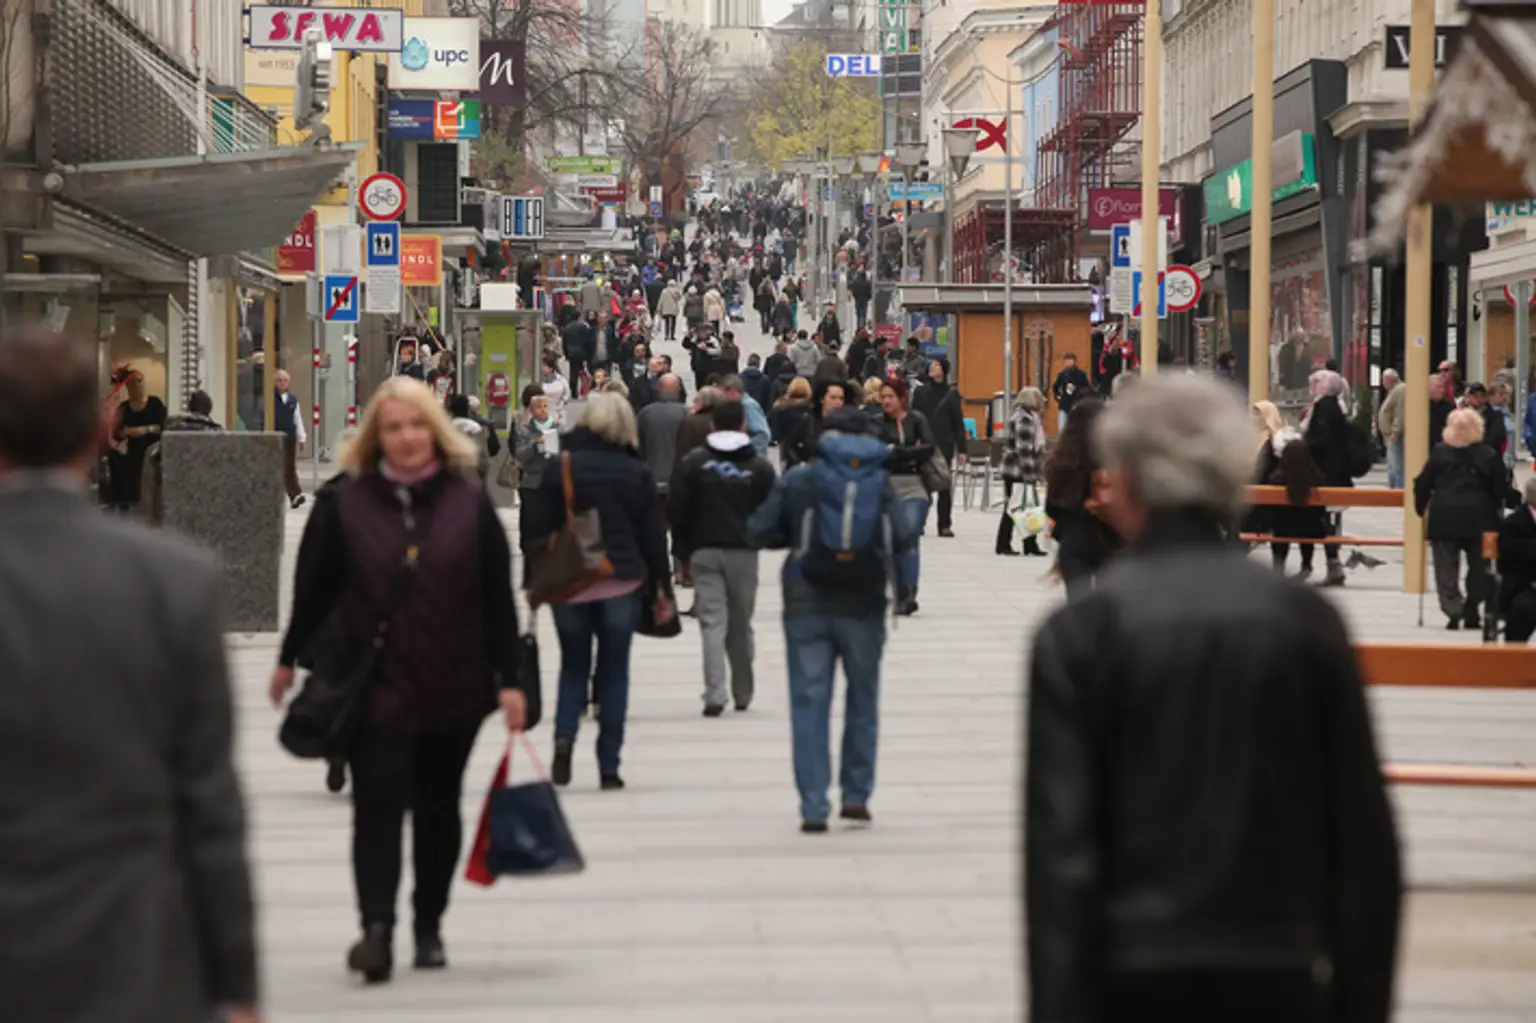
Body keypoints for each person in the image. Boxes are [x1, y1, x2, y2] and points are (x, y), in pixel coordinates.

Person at [1026, 373, 1402, 1023]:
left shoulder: (1082, 633)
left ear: (1128, 478)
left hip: (1132, 971)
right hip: (1275, 966)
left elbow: (1059, 851)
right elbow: (1362, 838)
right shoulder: (1304, 621)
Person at [0, 329, 261, 1023]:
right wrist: (236, 981)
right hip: (131, 947)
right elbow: (209, 800)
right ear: (98, 433)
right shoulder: (175, 581)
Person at [270, 376, 535, 984]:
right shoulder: (346, 503)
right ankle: (377, 928)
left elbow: (497, 596)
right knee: (377, 806)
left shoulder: (467, 502)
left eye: (417, 425)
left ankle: (428, 923)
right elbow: (314, 588)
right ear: (375, 437)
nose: (408, 437)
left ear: (435, 432)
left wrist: (510, 680)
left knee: (438, 808)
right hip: (375, 683)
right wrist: (288, 659)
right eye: (393, 428)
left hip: (455, 682)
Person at [747, 407, 919, 833]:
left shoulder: (800, 479)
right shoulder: (880, 482)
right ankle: (856, 794)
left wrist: (796, 534)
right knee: (863, 698)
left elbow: (759, 530)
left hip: (806, 600)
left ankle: (813, 803)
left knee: (809, 701)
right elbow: (904, 536)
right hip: (864, 602)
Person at [523, 392, 674, 790]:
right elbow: (653, 537)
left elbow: (536, 530)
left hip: (571, 579)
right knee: (615, 669)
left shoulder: (562, 465)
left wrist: (532, 580)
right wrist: (662, 587)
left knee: (573, 664)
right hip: (620, 579)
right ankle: (609, 765)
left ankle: (564, 737)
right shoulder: (636, 472)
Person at [670, 400, 777, 715]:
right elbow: (772, 509)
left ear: (713, 426)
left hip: (704, 550)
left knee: (712, 621)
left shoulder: (694, 463)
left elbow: (677, 509)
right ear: (744, 425)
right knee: (740, 623)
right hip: (743, 552)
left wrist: (683, 549)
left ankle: (715, 693)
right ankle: (743, 691)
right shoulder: (758, 467)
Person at [1414, 407, 1505, 630]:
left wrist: (1420, 507)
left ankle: (1453, 608)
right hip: (1480, 517)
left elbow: (1424, 483)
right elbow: (1499, 489)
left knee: (1445, 567)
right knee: (1481, 566)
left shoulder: (1439, 453)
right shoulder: (1489, 455)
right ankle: (1472, 607)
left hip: (1444, 515)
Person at [1044, 399, 1119, 598]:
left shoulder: (1060, 463)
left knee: (1079, 605)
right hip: (1109, 540)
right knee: (1110, 604)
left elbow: (1051, 508)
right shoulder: (1112, 460)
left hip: (1073, 542)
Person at [878, 377, 935, 615]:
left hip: (914, 484)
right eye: (882, 397)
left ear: (902, 398)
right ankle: (899, 592)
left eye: (890, 396)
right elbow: (876, 452)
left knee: (909, 533)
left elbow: (929, 448)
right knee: (892, 540)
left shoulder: (916, 419)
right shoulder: (877, 423)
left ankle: (910, 591)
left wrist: (898, 451)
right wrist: (910, 451)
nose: (886, 401)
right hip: (886, 486)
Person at [1301, 372, 1354, 587]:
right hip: (1336, 473)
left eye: (1315, 382)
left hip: (1326, 475)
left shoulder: (1324, 407)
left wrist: (1304, 442)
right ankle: (1333, 564)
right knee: (1328, 521)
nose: (1311, 386)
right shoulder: (1335, 406)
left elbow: (1321, 440)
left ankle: (1333, 565)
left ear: (1324, 386)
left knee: (1325, 521)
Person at [1261, 428, 1331, 576]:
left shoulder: (1277, 478)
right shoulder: (1316, 477)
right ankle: (1306, 564)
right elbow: (1321, 509)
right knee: (1307, 525)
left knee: (1280, 530)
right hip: (1312, 529)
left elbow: (1270, 508)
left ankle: (1278, 568)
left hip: (1283, 528)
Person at [913, 358, 966, 538]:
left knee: (944, 484)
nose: (932, 367)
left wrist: (962, 449)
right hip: (924, 443)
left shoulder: (952, 393)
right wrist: (913, 438)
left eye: (936, 365)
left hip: (944, 443)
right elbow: (913, 417)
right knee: (922, 484)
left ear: (943, 370)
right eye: (932, 365)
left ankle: (944, 524)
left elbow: (958, 422)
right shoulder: (920, 392)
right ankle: (918, 522)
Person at [108, 369, 167, 513]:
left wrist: (144, 429)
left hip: (153, 453)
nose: (137, 385)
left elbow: (163, 427)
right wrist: (130, 432)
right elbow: (117, 433)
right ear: (127, 386)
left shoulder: (155, 404)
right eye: (132, 382)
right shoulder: (124, 408)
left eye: (139, 381)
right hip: (133, 454)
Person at [998, 386, 1047, 557]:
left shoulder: (1027, 417)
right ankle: (1004, 543)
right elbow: (1024, 450)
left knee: (1028, 508)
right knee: (1014, 508)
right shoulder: (1024, 419)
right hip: (1017, 471)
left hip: (1016, 470)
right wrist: (1030, 475)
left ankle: (1029, 544)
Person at [514, 394, 559, 579]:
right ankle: (530, 562)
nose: (543, 410)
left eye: (545, 406)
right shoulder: (524, 431)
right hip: (531, 484)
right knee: (530, 524)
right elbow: (520, 454)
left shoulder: (556, 428)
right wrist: (534, 445)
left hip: (552, 483)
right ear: (532, 411)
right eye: (539, 407)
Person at [1498, 476, 1536, 642]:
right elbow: (1506, 554)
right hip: (1525, 584)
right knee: (1523, 609)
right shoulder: (1515, 523)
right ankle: (1514, 652)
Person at [784, 377, 847, 469]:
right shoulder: (807, 421)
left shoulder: (847, 424)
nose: (838, 402)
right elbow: (790, 448)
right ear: (822, 399)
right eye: (833, 398)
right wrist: (800, 464)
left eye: (841, 398)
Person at [274, 368, 308, 508]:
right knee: (278, 466)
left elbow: (297, 419)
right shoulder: (270, 398)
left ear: (289, 382)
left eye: (285, 380)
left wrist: (302, 437)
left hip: (290, 436)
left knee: (289, 466)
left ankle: (295, 495)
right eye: (279, 380)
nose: (282, 383)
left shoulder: (293, 400)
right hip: (275, 436)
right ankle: (294, 494)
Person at [719, 373, 772, 454]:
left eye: (723, 393)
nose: (722, 397)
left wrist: (743, 450)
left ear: (732, 391)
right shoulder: (740, 405)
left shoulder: (748, 406)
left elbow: (763, 435)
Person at [1377, 368, 1405, 489]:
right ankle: (1393, 489)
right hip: (1390, 435)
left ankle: (1398, 490)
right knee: (1392, 466)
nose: (1383, 382)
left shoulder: (1400, 390)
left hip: (1396, 436)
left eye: (1384, 379)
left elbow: (1400, 412)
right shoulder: (1394, 391)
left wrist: (1395, 431)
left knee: (1397, 467)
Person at [1050, 352, 1091, 434]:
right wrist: (1058, 396)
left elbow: (1087, 388)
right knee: (1062, 428)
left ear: (1074, 361)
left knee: (1077, 428)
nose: (1068, 362)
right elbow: (1055, 387)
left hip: (1077, 404)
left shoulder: (1081, 374)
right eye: (1066, 361)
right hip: (1064, 404)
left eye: (1070, 360)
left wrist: (1083, 398)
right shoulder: (1062, 374)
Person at [772, 375, 814, 447]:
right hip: (806, 444)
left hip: (786, 443)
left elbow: (777, 426)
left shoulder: (781, 406)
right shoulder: (811, 407)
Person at [541, 354, 572, 426]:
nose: (542, 368)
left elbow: (567, 393)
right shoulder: (539, 380)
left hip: (558, 411)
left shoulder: (561, 379)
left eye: (544, 366)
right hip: (543, 412)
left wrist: (563, 402)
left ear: (550, 368)